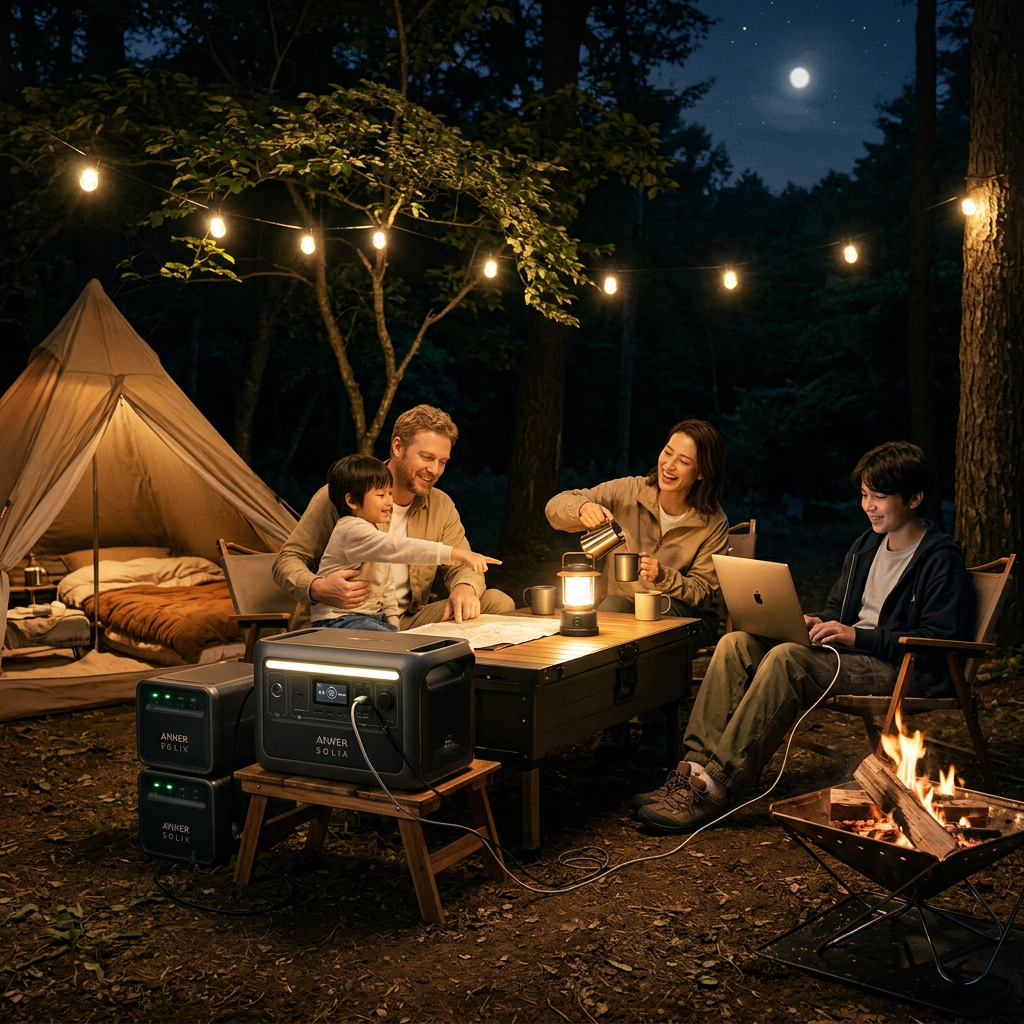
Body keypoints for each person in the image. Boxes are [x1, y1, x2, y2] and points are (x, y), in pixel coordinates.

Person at [635, 441, 975, 835]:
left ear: (914, 498)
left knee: (787, 660)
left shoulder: (940, 559)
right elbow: (838, 610)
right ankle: (691, 772)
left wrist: (856, 637)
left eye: (879, 497)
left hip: (903, 668)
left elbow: (939, 639)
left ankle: (716, 786)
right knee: (736, 643)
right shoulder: (866, 546)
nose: (869, 506)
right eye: (864, 495)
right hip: (852, 654)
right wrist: (818, 623)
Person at [545, 419, 730, 762]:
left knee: (651, 618)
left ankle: (655, 724)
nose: (669, 465)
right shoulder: (629, 492)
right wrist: (582, 509)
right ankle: (612, 722)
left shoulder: (711, 521)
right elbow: (555, 507)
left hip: (683, 614)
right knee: (609, 609)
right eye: (667, 452)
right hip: (624, 607)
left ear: (701, 472)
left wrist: (664, 577)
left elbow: (704, 591)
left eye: (683, 461)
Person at [273, 405, 515, 628]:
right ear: (398, 447)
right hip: (346, 619)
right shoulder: (344, 495)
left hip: (403, 620)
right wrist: (317, 587)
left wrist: (465, 587)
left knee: (497, 603)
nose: (435, 470)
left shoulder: (441, 504)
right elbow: (287, 560)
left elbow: (464, 564)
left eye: (442, 461)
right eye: (427, 457)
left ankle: (477, 675)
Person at [310, 455, 499, 631]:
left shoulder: (374, 530)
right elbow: (399, 547)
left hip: (375, 618)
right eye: (381, 495)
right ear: (351, 501)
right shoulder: (351, 530)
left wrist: (393, 621)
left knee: (400, 644)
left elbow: (386, 584)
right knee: (397, 649)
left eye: (390, 494)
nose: (389, 502)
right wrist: (455, 553)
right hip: (339, 619)